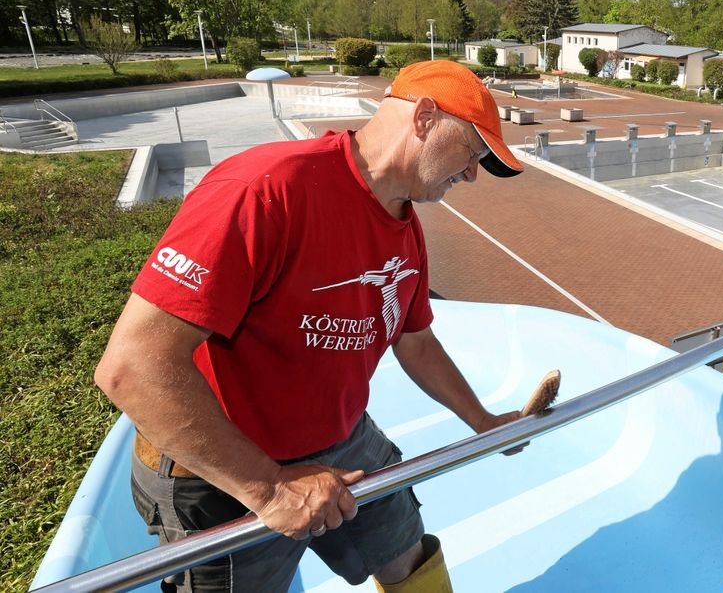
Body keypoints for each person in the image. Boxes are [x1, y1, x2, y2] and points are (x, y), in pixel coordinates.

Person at [93, 60, 525, 593]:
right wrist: (270, 489)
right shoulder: (264, 190)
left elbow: (415, 342)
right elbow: (132, 367)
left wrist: (483, 421)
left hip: (340, 439)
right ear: (425, 117)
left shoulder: (403, 226)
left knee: (408, 558)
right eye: (472, 153)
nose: (471, 175)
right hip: (221, 463)